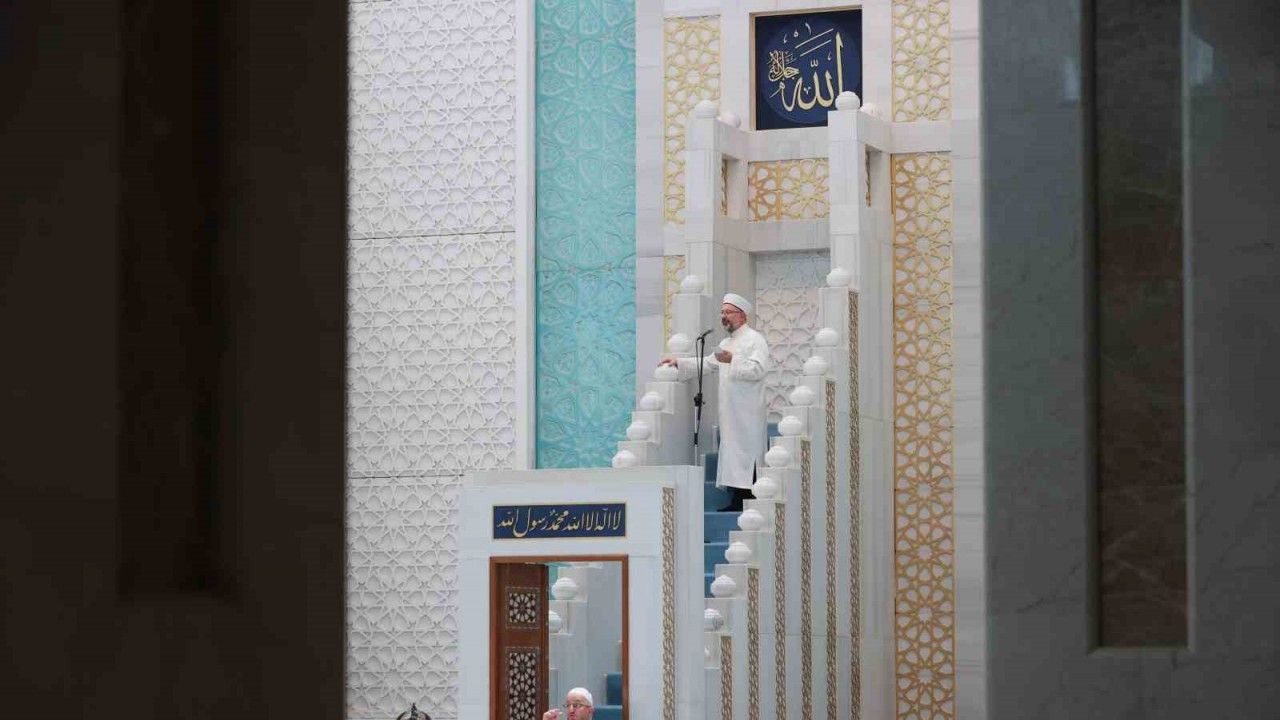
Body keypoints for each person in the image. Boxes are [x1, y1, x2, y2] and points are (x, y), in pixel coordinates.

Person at [659, 293, 770, 511]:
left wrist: (733, 359)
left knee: (747, 453)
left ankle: (749, 498)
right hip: (730, 411)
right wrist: (679, 362)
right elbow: (708, 364)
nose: (723, 316)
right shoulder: (726, 342)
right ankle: (736, 498)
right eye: (722, 312)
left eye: (728, 312)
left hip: (748, 410)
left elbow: (759, 369)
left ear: (742, 315)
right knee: (733, 453)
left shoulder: (755, 339)